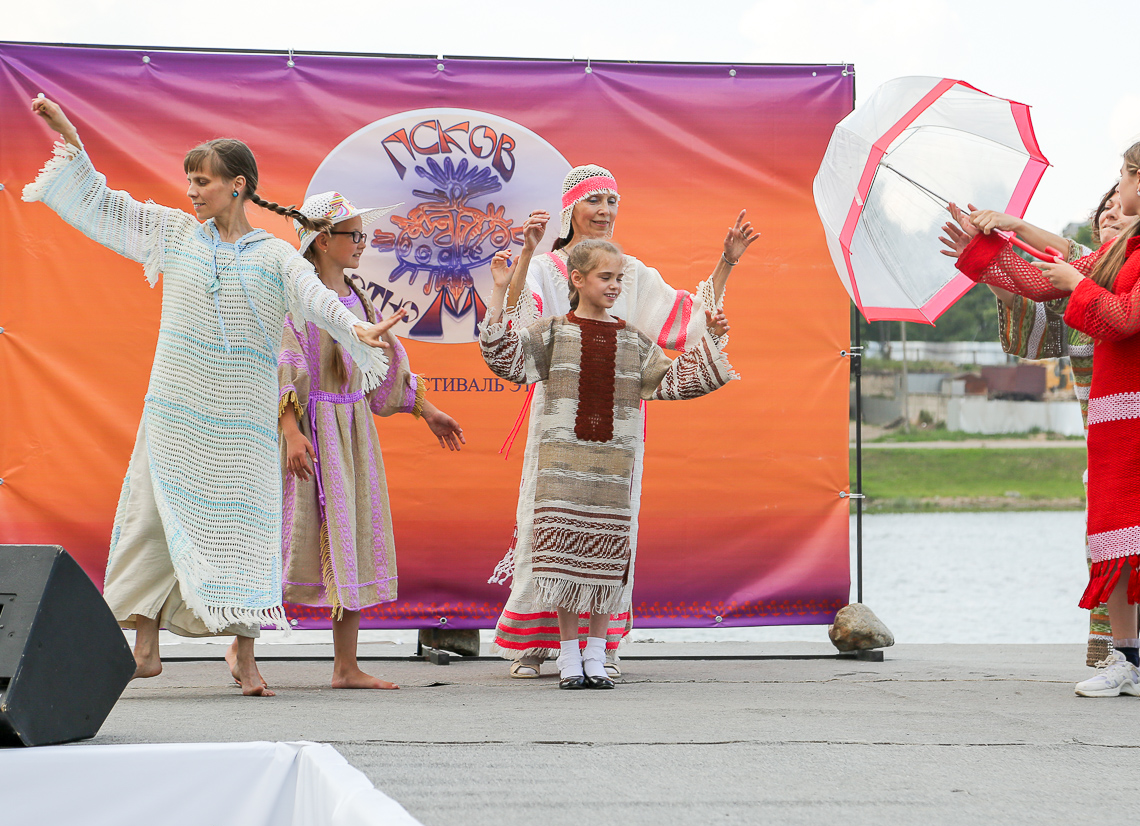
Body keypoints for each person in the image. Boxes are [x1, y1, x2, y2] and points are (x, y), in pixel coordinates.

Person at [24, 97, 402, 697]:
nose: (192, 191)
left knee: (247, 532)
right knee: (152, 521)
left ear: (238, 185)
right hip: (174, 412)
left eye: (202, 181)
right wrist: (70, 136)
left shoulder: (276, 256)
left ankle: (246, 660)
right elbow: (101, 202)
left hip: (244, 423)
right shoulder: (175, 234)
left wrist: (358, 329)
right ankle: (145, 651)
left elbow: (317, 299)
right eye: (190, 181)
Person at [947, 134, 1140, 701]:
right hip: (1113, 412)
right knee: (1110, 536)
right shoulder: (1128, 248)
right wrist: (982, 253)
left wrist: (1077, 284)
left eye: (1123, 173)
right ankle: (1127, 659)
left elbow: (1124, 318)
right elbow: (1040, 280)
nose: (1117, 187)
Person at [489, 165, 757, 679]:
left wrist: (727, 262)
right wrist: (523, 257)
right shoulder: (546, 266)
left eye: (613, 201)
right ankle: (538, 645)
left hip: (619, 420)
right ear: (571, 210)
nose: (605, 211)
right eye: (595, 201)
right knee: (548, 522)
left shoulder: (629, 272)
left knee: (613, 529)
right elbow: (520, 327)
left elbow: (686, 320)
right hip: (559, 414)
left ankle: (601, 647)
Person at [224, 191, 466, 690]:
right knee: (280, 537)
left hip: (351, 432)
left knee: (351, 532)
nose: (362, 242)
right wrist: (291, 431)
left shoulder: (358, 297)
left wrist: (427, 410)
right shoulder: (298, 297)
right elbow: (285, 363)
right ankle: (242, 649)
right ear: (321, 241)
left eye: (362, 234)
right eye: (353, 235)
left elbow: (385, 368)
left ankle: (345, 666)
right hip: (308, 431)